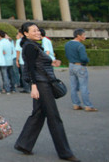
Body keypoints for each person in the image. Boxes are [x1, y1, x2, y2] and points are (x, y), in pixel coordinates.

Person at [14, 21, 80, 161]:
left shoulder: (34, 45)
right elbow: (30, 67)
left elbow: (37, 64)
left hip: (43, 82)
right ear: (26, 33)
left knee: (38, 114)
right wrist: (33, 86)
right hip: (41, 84)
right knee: (53, 117)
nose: (38, 33)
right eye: (34, 31)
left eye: (38, 30)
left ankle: (24, 143)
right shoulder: (30, 46)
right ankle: (65, 152)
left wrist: (51, 62)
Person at [64, 28, 97, 112]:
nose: (85, 37)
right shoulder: (80, 45)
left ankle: (76, 104)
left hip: (71, 65)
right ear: (78, 36)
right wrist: (87, 61)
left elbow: (67, 55)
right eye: (84, 35)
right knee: (83, 86)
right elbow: (83, 58)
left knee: (73, 86)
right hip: (80, 66)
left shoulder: (67, 44)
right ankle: (88, 105)